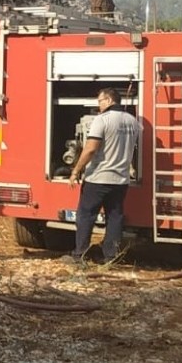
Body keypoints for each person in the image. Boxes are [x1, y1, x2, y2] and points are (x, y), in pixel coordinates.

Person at [64, 87, 141, 265]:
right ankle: (110, 256)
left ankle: (80, 255)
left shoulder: (102, 120)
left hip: (98, 178)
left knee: (86, 216)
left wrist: (76, 170)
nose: (98, 105)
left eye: (99, 101)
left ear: (108, 100)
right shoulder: (133, 121)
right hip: (121, 180)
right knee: (115, 217)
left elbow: (90, 148)